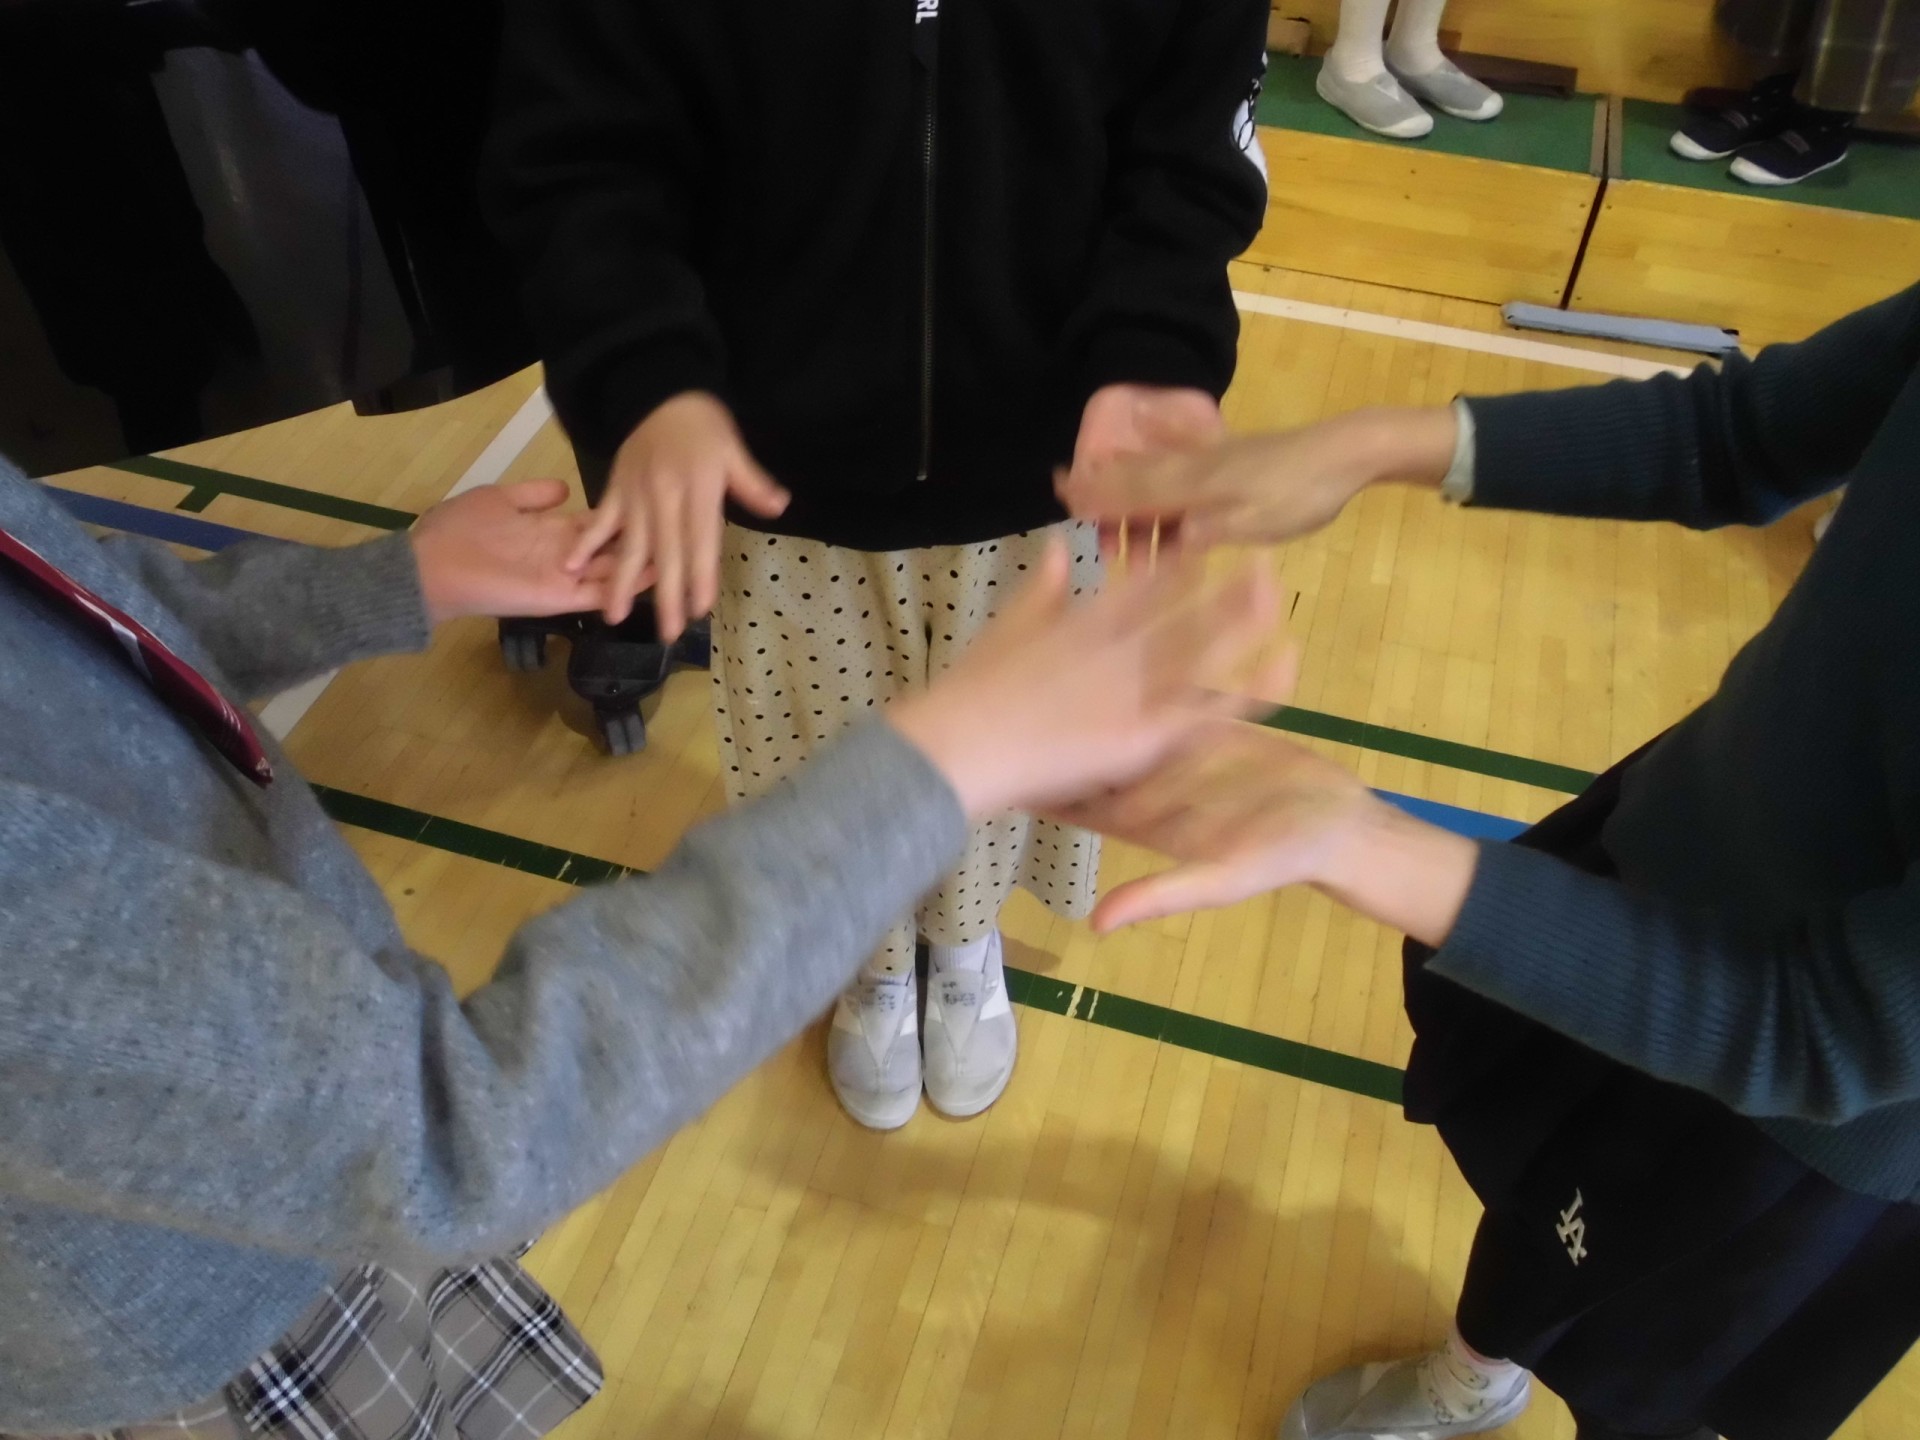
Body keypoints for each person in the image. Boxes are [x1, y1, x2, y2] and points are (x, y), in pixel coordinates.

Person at [0, 453, 1277, 1438]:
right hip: (216, 1302)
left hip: (310, 1133)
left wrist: (395, 582)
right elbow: (458, 1125)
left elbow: (78, 617)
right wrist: (947, 760)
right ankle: (885, 966)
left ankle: (945, 947)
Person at [1056, 282, 1920, 1440]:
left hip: (1823, 1134)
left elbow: (1830, 1032)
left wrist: (1357, 838)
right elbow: (1743, 433)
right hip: (1678, 841)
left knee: (1663, 1385)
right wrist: (1370, 445)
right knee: (1540, 1213)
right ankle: (1478, 1373)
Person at [481, 0, 1273, 1130]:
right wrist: (642, 368)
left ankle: (965, 941)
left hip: (1050, 450)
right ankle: (869, 962)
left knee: (1003, 758)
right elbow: (582, 138)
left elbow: (1192, 128)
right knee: (816, 749)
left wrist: (1158, 337)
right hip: (786, 465)